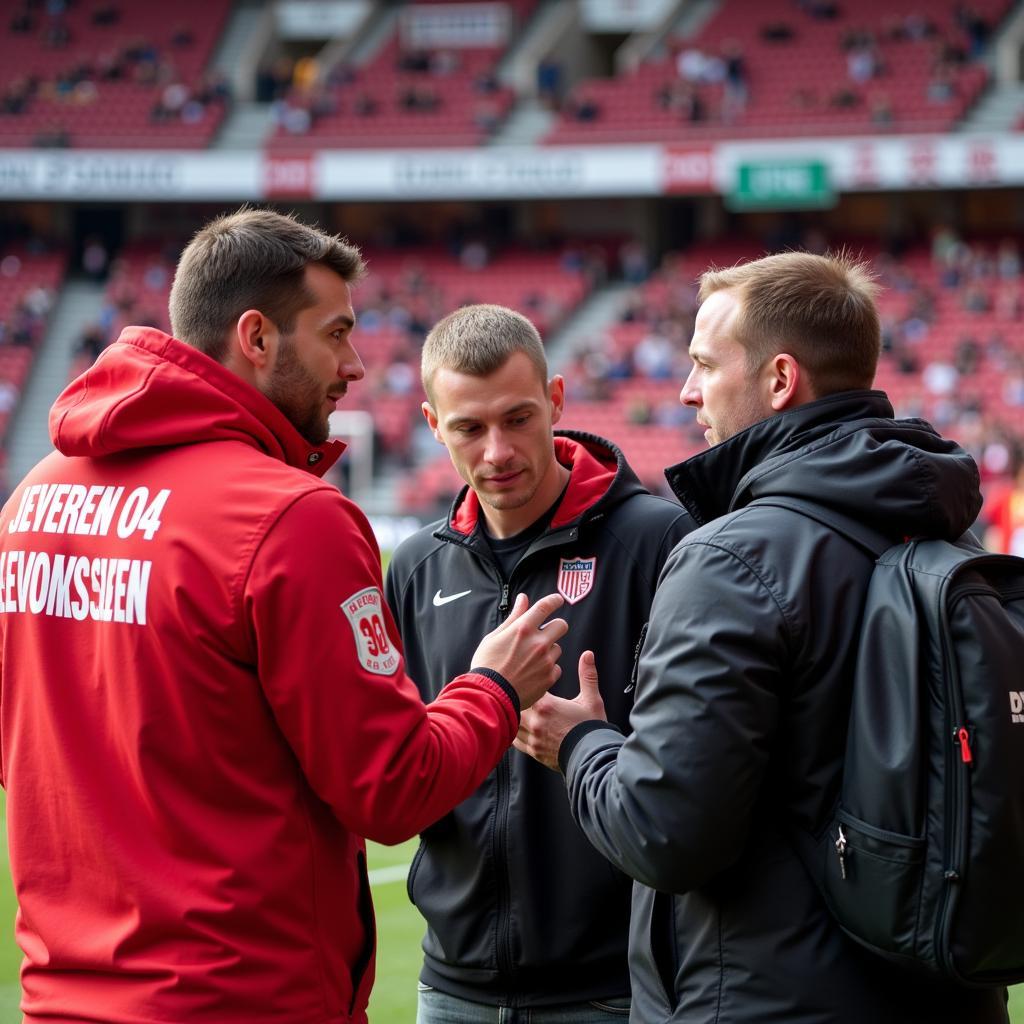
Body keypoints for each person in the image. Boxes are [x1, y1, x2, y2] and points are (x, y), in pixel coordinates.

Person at [0, 208, 569, 1024]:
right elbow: (393, 788)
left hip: (62, 996)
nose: (355, 366)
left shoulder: (36, 497)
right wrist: (494, 686)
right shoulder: (288, 518)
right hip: (241, 995)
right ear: (257, 338)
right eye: (336, 334)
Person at [515, 251, 1009, 1023]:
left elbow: (665, 832)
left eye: (706, 365)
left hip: (766, 1000)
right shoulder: (953, 537)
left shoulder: (731, 559)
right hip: (946, 992)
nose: (685, 391)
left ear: (779, 381)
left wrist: (579, 746)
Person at [385, 304, 694, 1022]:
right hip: (452, 985)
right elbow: (404, 760)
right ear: (433, 426)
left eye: (518, 418)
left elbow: (697, 757)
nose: (497, 451)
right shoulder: (417, 566)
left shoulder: (657, 540)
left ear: (555, 400)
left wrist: (590, 741)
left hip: (613, 984)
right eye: (468, 428)